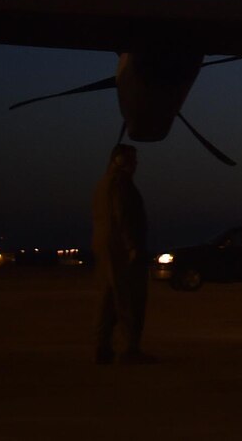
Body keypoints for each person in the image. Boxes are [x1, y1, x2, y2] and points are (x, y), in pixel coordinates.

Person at [92, 143, 152, 365]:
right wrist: (131, 245)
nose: (136, 165)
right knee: (129, 298)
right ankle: (130, 349)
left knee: (107, 298)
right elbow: (122, 215)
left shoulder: (102, 184)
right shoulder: (121, 184)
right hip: (119, 249)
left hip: (105, 247)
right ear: (119, 161)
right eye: (132, 160)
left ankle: (102, 347)